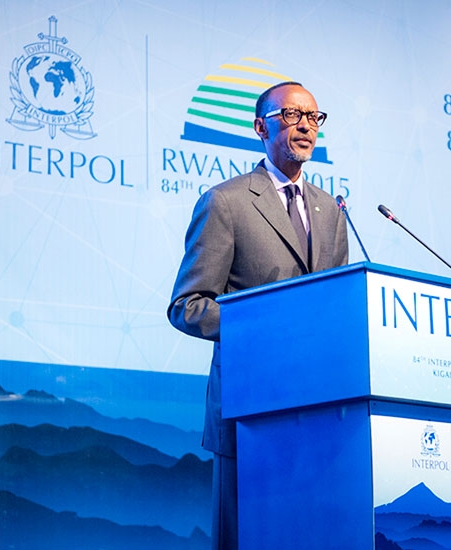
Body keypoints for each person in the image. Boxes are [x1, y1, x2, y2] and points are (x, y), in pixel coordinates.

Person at [167, 81, 348, 549]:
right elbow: (187, 306)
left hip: (318, 409)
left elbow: (337, 306)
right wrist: (266, 329)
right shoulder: (226, 202)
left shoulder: (331, 210)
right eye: (290, 115)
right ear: (259, 127)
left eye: (313, 116)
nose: (305, 125)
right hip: (248, 410)